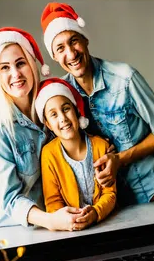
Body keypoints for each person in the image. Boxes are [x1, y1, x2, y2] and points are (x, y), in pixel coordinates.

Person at [40, 2, 154, 206]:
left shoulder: (125, 78)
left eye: (74, 41)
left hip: (153, 192)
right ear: (54, 56)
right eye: (60, 48)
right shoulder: (62, 95)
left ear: (86, 40)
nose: (70, 53)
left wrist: (119, 160)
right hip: (110, 202)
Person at [0, 26, 86, 231]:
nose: (15, 74)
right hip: (19, 230)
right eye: (4, 67)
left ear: (31, 64)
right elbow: (10, 199)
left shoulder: (51, 102)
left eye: (21, 63)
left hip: (62, 220)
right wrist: (51, 220)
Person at [35, 78, 116, 230]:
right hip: (70, 230)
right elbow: (53, 202)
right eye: (53, 115)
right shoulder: (48, 154)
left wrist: (96, 213)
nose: (63, 118)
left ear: (76, 110)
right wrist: (69, 220)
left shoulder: (101, 146)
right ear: (47, 124)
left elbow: (110, 193)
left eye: (66, 109)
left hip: (106, 224)